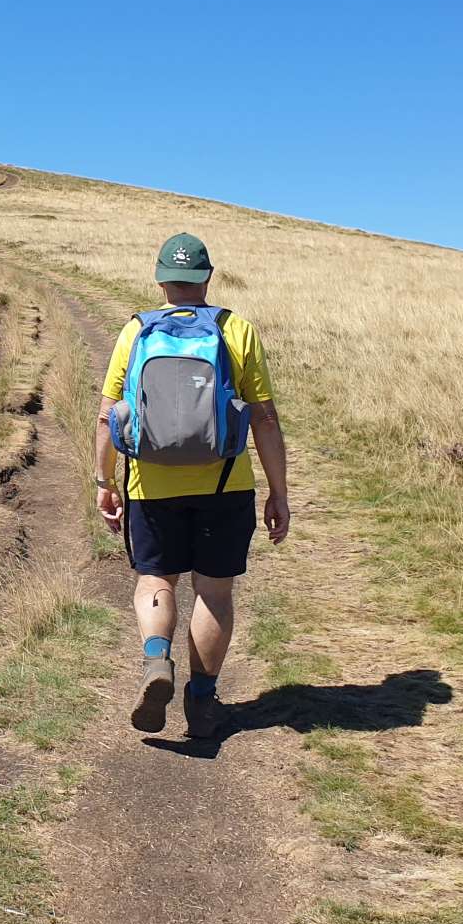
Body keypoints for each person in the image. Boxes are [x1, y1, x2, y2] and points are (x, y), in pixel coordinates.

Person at [93, 233, 290, 738]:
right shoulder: (236, 330)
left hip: (151, 485)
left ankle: (157, 661)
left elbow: (107, 416)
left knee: (156, 582)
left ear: (160, 278)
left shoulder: (136, 330)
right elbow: (264, 419)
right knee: (214, 592)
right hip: (226, 485)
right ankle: (201, 703)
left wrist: (104, 481)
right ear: (208, 278)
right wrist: (279, 492)